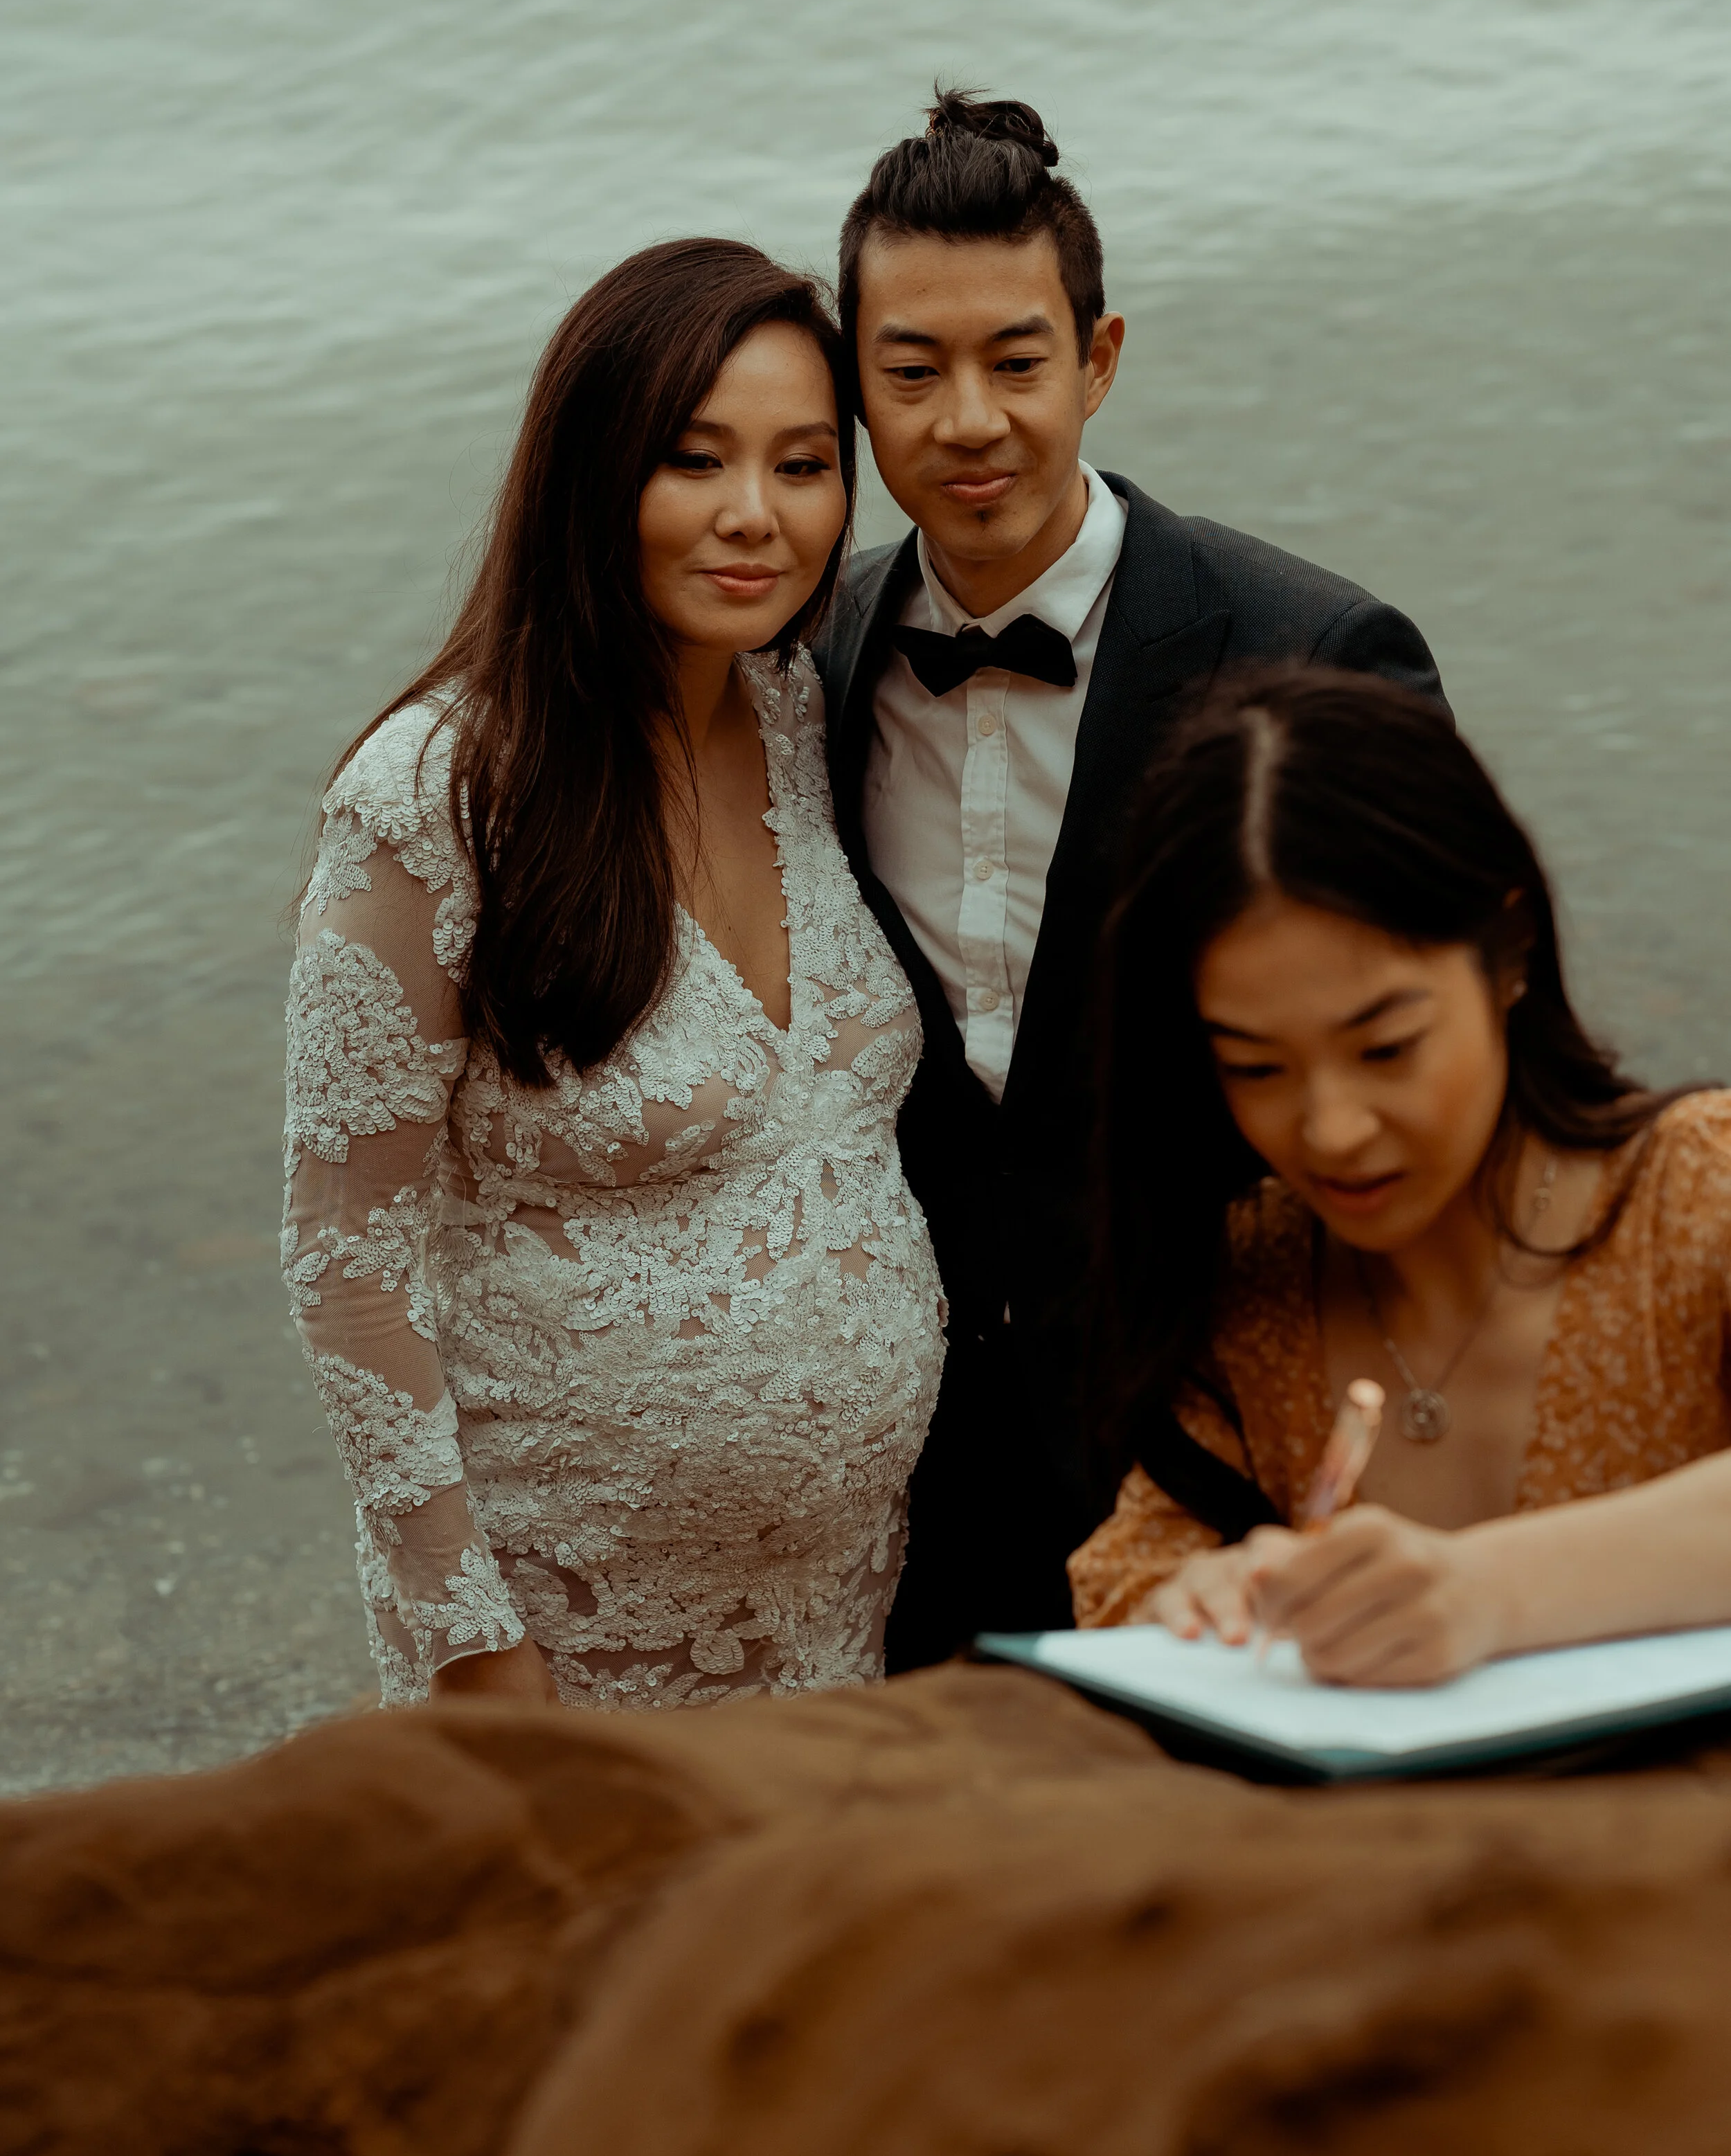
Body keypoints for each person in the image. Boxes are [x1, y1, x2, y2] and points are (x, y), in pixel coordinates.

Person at [818, 89, 1444, 1668]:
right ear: (852, 387)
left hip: (1226, 1429)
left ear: (1096, 362)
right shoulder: (793, 661)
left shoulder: (1309, 652)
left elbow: (1437, 1061)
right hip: (895, 1476)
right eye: (911, 371)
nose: (967, 421)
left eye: (1015, 362)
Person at [282, 240, 944, 1710]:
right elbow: (347, 1265)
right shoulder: (432, 801)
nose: (752, 518)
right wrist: (470, 1643)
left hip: (839, 1607)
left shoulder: (790, 719)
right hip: (569, 1641)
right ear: (589, 475)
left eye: (800, 465)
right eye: (692, 461)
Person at [1071, 665, 1731, 1686]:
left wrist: (1492, 1592)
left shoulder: (1696, 1189)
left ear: (1510, 954)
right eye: (1255, 1066)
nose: (1331, 1131)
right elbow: (1139, 1576)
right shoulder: (1255, 1272)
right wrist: (1196, 1608)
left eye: (1387, 1047)